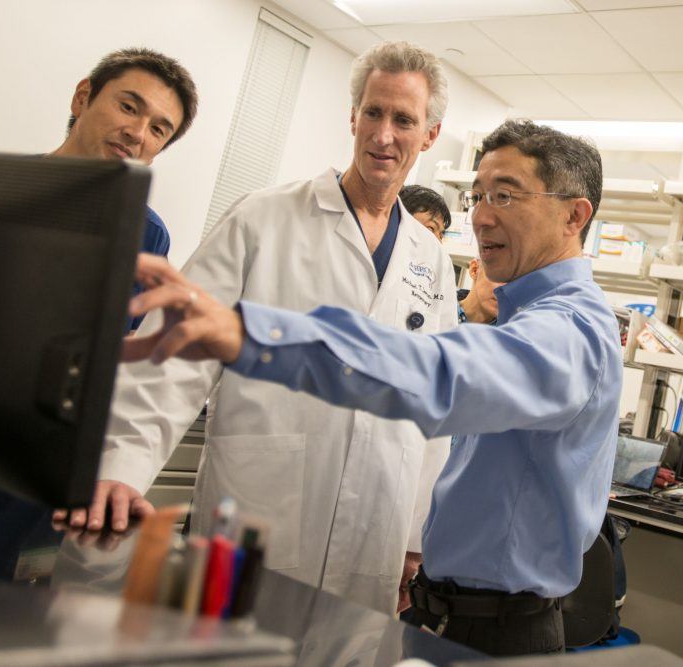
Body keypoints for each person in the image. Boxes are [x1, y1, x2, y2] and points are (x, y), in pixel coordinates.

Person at [122, 118, 622, 656]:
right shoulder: (264, 213)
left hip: (498, 631)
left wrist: (256, 334)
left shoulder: (570, 332)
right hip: (439, 606)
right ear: (352, 118)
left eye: (505, 195)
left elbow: (439, 374)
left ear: (575, 214)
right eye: (478, 195)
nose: (481, 216)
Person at [57, 41, 458, 614]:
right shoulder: (264, 217)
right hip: (258, 511)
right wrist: (121, 469)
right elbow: (174, 352)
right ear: (353, 116)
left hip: (375, 530)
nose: (383, 135)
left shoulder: (433, 261)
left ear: (430, 135)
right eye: (373, 112)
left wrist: (416, 536)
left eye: (404, 120)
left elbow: (436, 404)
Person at [50, 47, 198, 330]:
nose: (137, 133)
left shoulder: (148, 233)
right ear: (83, 98)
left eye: (157, 130)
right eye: (128, 108)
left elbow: (128, 337)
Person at [456, 258, 502, 324]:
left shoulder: (513, 331)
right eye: (500, 275)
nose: (507, 290)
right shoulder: (440, 310)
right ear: (475, 270)